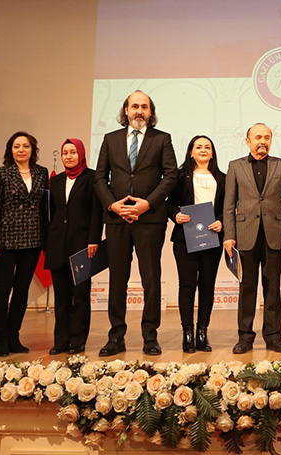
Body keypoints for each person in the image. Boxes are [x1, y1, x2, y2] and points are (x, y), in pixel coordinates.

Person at [93, 91, 178, 356]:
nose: (139, 110)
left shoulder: (161, 139)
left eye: (144, 107)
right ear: (126, 111)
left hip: (150, 219)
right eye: (134, 106)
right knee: (118, 279)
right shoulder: (110, 139)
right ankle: (116, 336)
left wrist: (147, 203)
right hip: (117, 220)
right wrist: (112, 205)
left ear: (150, 112)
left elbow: (171, 175)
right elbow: (99, 178)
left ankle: (150, 336)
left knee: (150, 279)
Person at [223, 123, 281, 354]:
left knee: (273, 288)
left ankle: (274, 337)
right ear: (248, 141)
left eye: (266, 137)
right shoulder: (235, 167)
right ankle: (245, 337)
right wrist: (229, 236)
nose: (262, 141)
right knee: (247, 289)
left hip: (274, 235)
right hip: (245, 236)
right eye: (257, 137)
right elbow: (228, 204)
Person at [0, 132, 49, 357]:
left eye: (25, 146)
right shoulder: (0, 173)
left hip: (32, 239)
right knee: (2, 289)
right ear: (10, 150)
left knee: (21, 291)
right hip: (5, 241)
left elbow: (44, 208)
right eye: (16, 146)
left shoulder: (41, 173)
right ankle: (0, 338)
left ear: (33, 150)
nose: (21, 150)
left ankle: (14, 335)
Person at [166, 135, 225, 353]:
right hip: (185, 238)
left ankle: (202, 333)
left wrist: (222, 221)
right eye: (198, 146)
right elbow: (168, 203)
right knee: (187, 285)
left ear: (212, 152)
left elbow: (228, 208)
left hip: (213, 238)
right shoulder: (180, 176)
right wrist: (176, 215)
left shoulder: (223, 178)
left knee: (207, 285)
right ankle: (187, 333)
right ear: (191, 151)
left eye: (207, 147)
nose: (203, 150)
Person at [45, 138, 102, 355]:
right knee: (61, 296)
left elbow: (96, 212)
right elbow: (52, 213)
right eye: (65, 153)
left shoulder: (93, 177)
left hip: (83, 246)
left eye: (72, 152)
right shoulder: (56, 181)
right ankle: (60, 341)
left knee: (79, 296)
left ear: (81, 154)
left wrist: (93, 239)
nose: (68, 156)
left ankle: (77, 341)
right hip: (58, 245)